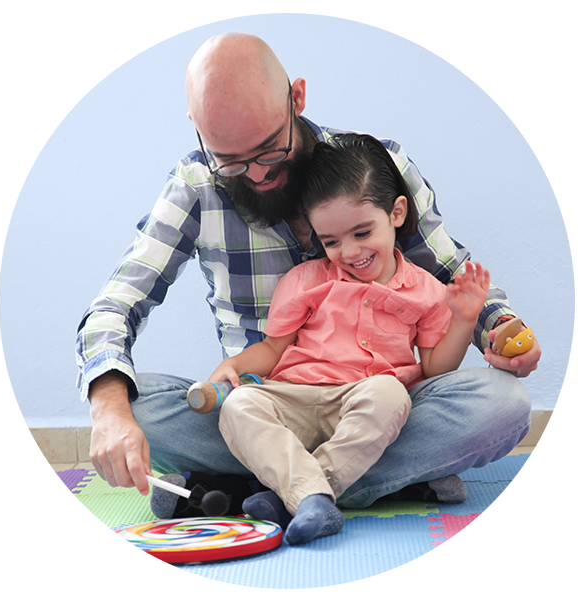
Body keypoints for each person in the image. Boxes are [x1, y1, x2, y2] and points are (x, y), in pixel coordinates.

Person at [76, 33, 539, 510]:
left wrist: (500, 328)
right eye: (231, 161)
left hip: (384, 401)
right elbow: (116, 304)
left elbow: (451, 275)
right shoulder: (196, 185)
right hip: (268, 403)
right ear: (196, 126)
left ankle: (265, 489)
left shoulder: (375, 166)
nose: (256, 174)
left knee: (501, 403)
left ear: (296, 98)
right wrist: (110, 411)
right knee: (134, 401)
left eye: (269, 149)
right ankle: (370, 482)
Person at [205, 133, 491, 545]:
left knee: (393, 394)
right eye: (331, 241)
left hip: (367, 406)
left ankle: (296, 495)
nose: (349, 252)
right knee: (239, 405)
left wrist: (464, 321)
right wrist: (234, 367)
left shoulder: (427, 291)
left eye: (361, 232)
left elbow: (434, 368)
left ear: (396, 212)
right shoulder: (305, 280)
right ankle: (311, 497)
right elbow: (273, 349)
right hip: (295, 398)